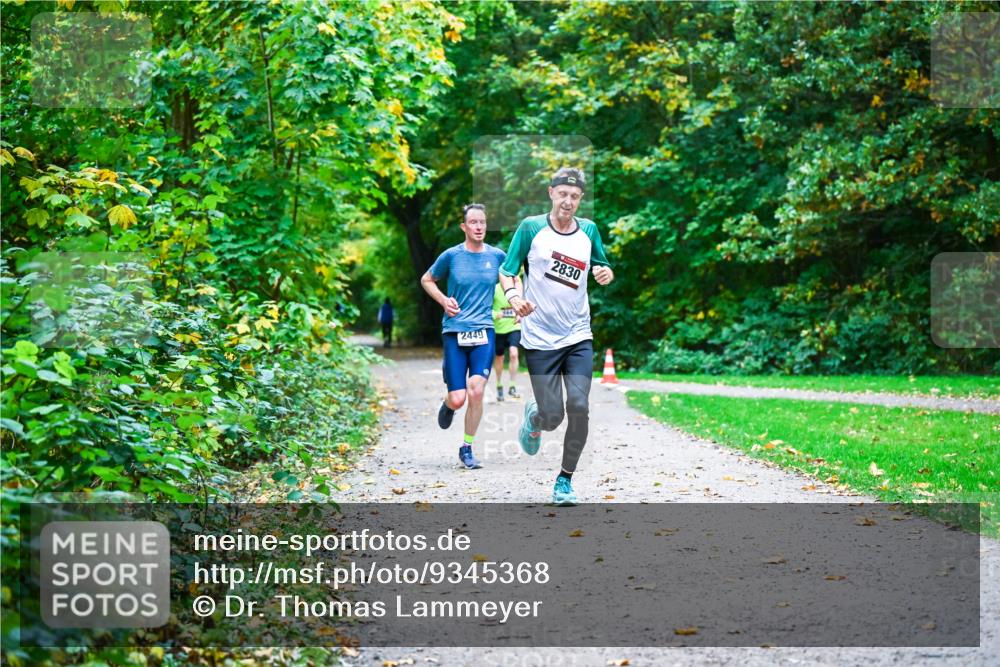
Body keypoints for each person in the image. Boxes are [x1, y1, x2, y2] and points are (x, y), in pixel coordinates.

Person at [498, 167, 614, 505]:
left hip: (578, 335)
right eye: (563, 194)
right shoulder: (531, 228)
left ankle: (564, 481)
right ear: (551, 193)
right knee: (553, 416)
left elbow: (602, 266)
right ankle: (536, 416)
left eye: (575, 196)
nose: (568, 201)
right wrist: (515, 297)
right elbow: (508, 271)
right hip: (538, 338)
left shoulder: (589, 230)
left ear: (580, 200)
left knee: (579, 407)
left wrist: (605, 273)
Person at [420, 203, 506, 470]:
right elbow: (426, 279)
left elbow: (511, 281)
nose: (479, 227)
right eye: (473, 222)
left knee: (476, 391)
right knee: (458, 398)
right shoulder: (451, 256)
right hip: (455, 332)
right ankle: (448, 405)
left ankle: (467, 447)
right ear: (464, 226)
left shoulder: (498, 256)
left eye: (482, 222)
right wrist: (444, 301)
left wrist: (518, 301)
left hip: (484, 331)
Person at [491, 281, 522, 402]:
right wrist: (495, 314)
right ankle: (499, 384)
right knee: (499, 358)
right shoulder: (494, 289)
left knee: (514, 353)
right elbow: (485, 308)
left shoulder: (518, 288)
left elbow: (524, 305)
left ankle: (512, 385)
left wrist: (520, 314)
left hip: (514, 327)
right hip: (498, 330)